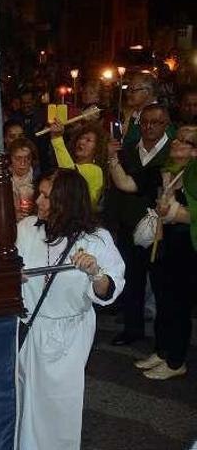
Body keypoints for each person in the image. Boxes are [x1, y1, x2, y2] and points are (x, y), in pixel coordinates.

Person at [16, 169, 125, 449]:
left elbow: (109, 288)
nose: (37, 200)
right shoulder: (27, 228)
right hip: (30, 329)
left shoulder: (96, 239)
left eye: (46, 196)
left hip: (69, 334)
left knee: (59, 405)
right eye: (39, 193)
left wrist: (95, 273)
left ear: (67, 201)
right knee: (25, 400)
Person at [128, 126, 197, 380]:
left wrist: (179, 213)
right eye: (177, 138)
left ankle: (177, 360)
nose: (178, 142)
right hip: (164, 245)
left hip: (187, 249)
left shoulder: (193, 175)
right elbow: (129, 184)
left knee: (179, 305)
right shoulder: (167, 171)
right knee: (163, 300)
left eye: (186, 141)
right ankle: (162, 351)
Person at [104, 104, 171, 345]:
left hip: (162, 230)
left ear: (166, 124)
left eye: (156, 122)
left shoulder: (173, 153)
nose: (149, 127)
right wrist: (112, 222)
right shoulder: (129, 150)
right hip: (129, 225)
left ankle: (165, 342)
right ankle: (133, 330)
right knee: (132, 280)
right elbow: (116, 191)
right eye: (145, 122)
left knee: (163, 286)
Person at [49, 121, 105, 209]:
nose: (81, 142)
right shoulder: (70, 163)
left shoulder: (96, 170)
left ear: (97, 148)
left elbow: (69, 173)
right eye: (80, 138)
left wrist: (57, 138)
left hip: (81, 220)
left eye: (88, 140)